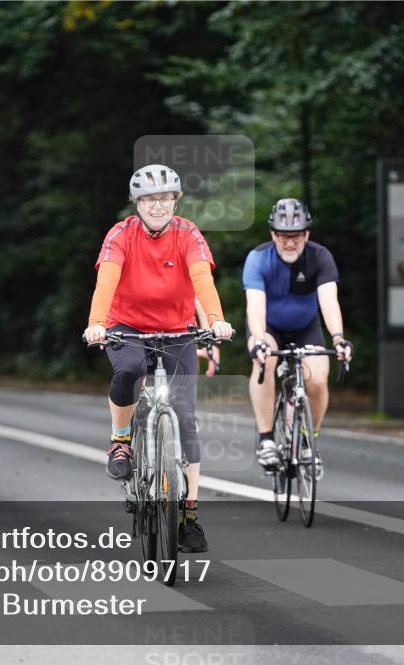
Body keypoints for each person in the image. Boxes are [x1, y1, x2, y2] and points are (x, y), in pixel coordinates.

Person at [83, 164, 233, 554]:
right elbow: (106, 281)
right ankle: (120, 442)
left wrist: (216, 322)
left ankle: (189, 515)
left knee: (184, 417)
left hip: (178, 331)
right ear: (137, 203)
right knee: (130, 369)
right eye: (149, 199)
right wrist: (97, 324)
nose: (158, 206)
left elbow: (202, 280)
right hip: (126, 327)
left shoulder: (188, 233)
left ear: (175, 201)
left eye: (165, 198)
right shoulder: (120, 234)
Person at [243, 198, 353, 470]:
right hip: (268, 327)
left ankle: (308, 439)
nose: (290, 243)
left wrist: (338, 338)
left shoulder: (320, 257)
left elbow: (328, 301)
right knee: (264, 360)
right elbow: (255, 306)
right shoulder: (258, 258)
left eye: (296, 236)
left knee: (317, 381)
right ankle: (267, 439)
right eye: (283, 236)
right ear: (273, 234)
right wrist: (258, 340)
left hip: (306, 327)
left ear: (307, 234)